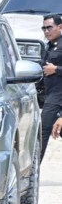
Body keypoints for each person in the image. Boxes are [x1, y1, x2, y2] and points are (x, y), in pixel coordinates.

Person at [39, 14, 62, 160]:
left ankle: (30, 175)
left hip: (57, 96)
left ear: (60, 27)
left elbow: (53, 69)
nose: (46, 31)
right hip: (50, 94)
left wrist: (57, 69)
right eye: (44, 28)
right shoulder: (49, 45)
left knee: (43, 132)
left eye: (50, 27)